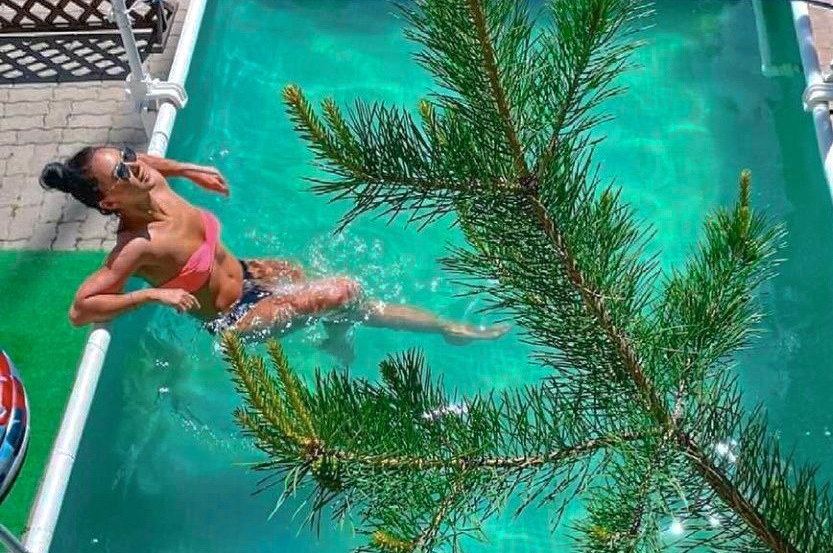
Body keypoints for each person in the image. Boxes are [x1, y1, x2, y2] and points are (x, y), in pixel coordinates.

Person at [39, 145, 509, 343]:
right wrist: (150, 296)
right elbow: (79, 310)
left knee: (325, 288)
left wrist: (188, 170)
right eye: (122, 172)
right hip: (233, 318)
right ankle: (445, 329)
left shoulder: (152, 183)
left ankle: (347, 337)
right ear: (108, 202)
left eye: (126, 156)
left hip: (247, 273)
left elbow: (147, 159)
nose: (135, 166)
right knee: (341, 291)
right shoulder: (136, 246)